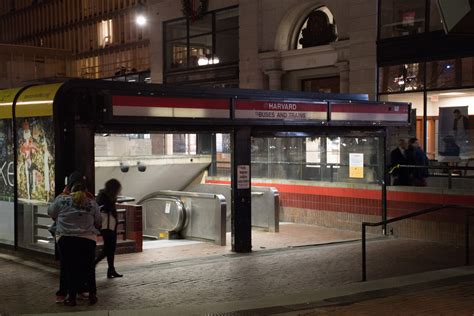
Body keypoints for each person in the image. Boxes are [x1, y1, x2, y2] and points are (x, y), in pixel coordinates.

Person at [48, 175, 101, 306]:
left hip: (66, 239)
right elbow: (99, 222)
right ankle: (92, 295)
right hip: (87, 239)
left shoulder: (61, 200)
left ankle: (70, 298)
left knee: (68, 267)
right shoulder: (91, 202)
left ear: (69, 189)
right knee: (88, 268)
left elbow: (51, 213)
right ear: (85, 190)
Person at [95, 178, 123, 278]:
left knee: (111, 247)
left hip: (110, 224)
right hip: (107, 224)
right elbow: (102, 207)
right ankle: (95, 264)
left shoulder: (104, 194)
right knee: (108, 248)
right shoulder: (105, 195)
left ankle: (111, 269)